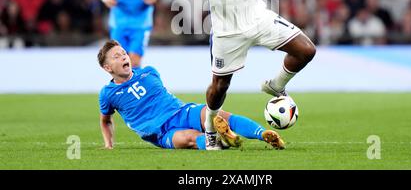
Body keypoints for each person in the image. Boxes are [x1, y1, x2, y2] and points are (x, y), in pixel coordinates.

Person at [151, 0, 347, 150]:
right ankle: (211, 126)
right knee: (219, 87)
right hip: (226, 31)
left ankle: (276, 85)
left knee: (306, 50)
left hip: (258, 17)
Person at [98, 39, 285, 150]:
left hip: (181, 111)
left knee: (218, 115)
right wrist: (108, 144)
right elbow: (105, 120)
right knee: (189, 138)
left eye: (123, 53)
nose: (123, 56)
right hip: (161, 133)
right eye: (117, 56)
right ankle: (223, 141)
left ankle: (263, 134)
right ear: (107, 68)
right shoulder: (108, 94)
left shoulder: (149, 71)